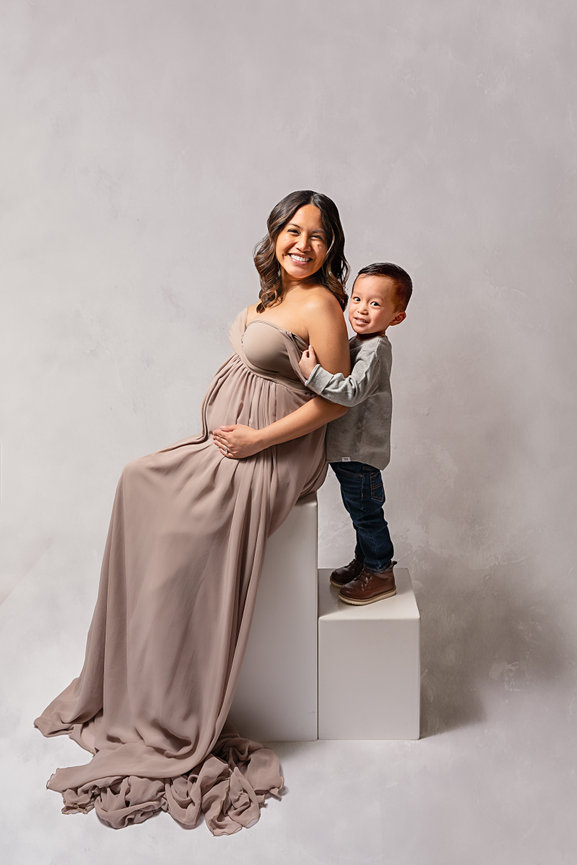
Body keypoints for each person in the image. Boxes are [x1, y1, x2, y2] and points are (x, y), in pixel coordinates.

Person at [34, 190, 351, 835]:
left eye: (318, 236)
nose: (303, 244)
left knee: (184, 531)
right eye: (293, 231)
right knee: (138, 480)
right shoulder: (275, 294)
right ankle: (134, 670)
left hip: (276, 450)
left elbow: (337, 401)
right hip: (233, 441)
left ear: (331, 248)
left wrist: (258, 440)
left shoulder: (322, 305)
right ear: (275, 234)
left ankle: (171, 699)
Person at [298, 262, 412, 605]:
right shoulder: (359, 343)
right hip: (348, 451)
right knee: (358, 511)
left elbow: (350, 392)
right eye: (358, 299)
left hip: (359, 453)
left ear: (397, 317)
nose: (362, 309)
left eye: (375, 304)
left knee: (367, 514)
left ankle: (380, 571)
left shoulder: (375, 349)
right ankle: (365, 562)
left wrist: (313, 374)